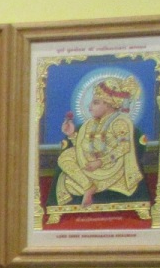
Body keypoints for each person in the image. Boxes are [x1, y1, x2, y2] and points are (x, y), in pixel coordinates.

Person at [55, 75, 144, 208]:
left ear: (109, 104)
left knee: (69, 182)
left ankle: (87, 185)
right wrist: (72, 134)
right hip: (90, 161)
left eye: (95, 102)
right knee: (64, 158)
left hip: (109, 167)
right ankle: (88, 186)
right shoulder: (91, 124)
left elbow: (124, 147)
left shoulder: (119, 122)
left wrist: (101, 162)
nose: (90, 106)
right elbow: (84, 147)